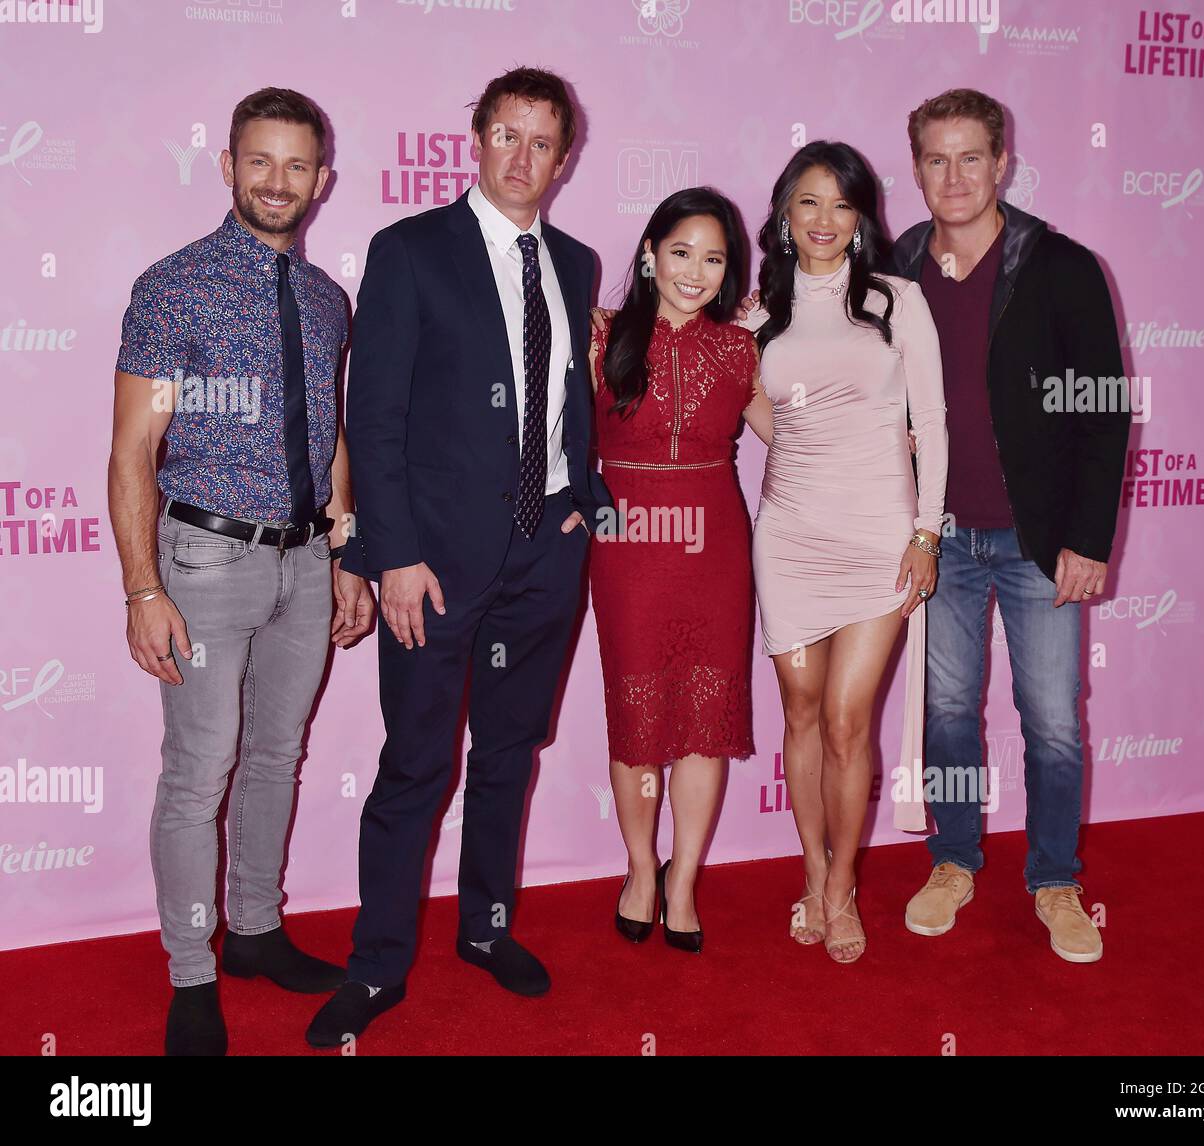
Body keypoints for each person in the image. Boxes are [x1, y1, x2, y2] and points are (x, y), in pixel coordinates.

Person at [307, 67, 612, 1047]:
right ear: (474, 140)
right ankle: (378, 964)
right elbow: (376, 414)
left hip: (545, 558)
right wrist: (389, 554)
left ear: (564, 159)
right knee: (414, 764)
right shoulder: (410, 252)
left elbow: (569, 401)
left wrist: (585, 501)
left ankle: (485, 929)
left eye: (541, 143)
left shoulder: (574, 262)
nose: (522, 158)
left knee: (509, 755)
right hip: (433, 567)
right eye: (505, 136)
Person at [107, 88, 373, 1056]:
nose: (277, 182)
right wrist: (142, 587)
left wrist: (346, 550)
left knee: (275, 757)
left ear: (322, 181)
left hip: (306, 560)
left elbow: (330, 430)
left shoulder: (325, 299)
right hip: (205, 560)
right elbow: (134, 449)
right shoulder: (170, 287)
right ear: (226, 166)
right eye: (258, 162)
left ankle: (255, 929)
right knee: (198, 772)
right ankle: (191, 971)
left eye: (296, 166)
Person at [891, 89, 1129, 963]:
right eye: (934, 159)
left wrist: (1089, 539)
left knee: (1052, 719)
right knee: (950, 713)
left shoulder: (1060, 265)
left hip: (1041, 542)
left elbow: (1105, 411)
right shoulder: (897, 266)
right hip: (939, 537)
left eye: (970, 158)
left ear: (1002, 164)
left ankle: (1057, 879)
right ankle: (953, 860)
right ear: (915, 168)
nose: (952, 177)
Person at [741, 141, 948, 964]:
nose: (825, 221)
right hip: (788, 535)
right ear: (785, 217)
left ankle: (840, 890)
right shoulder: (760, 317)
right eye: (808, 204)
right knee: (798, 714)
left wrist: (926, 529)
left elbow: (930, 420)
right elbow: (753, 412)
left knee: (845, 718)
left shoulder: (899, 301)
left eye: (841, 205)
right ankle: (811, 870)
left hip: (878, 540)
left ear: (862, 217)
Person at [589, 188, 768, 953]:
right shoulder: (599, 338)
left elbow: (798, 437)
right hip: (626, 543)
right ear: (651, 253)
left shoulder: (742, 348)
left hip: (715, 545)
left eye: (714, 258)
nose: (695, 272)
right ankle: (638, 869)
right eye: (682, 252)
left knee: (704, 718)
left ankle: (685, 877)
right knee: (638, 721)